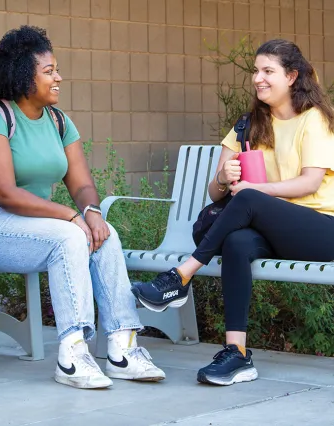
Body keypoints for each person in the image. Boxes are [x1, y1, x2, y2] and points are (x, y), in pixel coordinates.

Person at [0, 25, 165, 390]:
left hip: (26, 220)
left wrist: (91, 213)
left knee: (105, 236)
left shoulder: (59, 121)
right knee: (68, 237)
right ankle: (73, 354)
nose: (58, 77)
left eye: (56, 69)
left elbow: (81, 184)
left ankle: (123, 349)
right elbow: (4, 193)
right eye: (49, 71)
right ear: (21, 76)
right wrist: (71, 217)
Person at [131, 39, 334, 386]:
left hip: (320, 229)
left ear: (292, 76)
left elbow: (310, 182)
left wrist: (253, 192)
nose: (258, 78)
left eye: (268, 71)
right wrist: (224, 178)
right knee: (238, 242)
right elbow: (215, 192)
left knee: (249, 199)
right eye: (256, 71)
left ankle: (180, 277)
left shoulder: (312, 119)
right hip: (274, 231)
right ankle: (237, 354)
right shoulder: (249, 124)